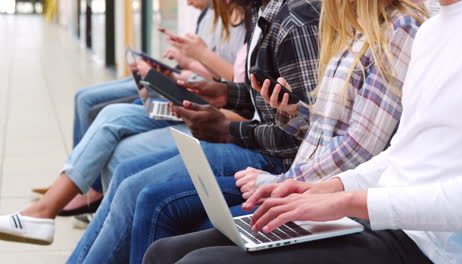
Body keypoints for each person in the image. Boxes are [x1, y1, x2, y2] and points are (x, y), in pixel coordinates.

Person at [144, 0, 462, 263]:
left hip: (425, 244)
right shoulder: (431, 33)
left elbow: (459, 202)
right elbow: (401, 154)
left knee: (198, 258)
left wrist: (344, 201)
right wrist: (330, 188)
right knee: (164, 252)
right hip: (378, 213)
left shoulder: (406, 30)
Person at [66, 0, 321, 263]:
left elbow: (306, 135)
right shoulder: (263, 10)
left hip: (275, 159)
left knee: (140, 191)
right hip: (258, 143)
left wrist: (229, 131)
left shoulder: (294, 21)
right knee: (126, 173)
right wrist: (226, 94)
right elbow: (273, 101)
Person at [0, 0, 248, 245]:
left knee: (117, 142)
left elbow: (242, 95)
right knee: (109, 114)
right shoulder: (218, 18)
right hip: (199, 100)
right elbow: (226, 83)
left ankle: (74, 208)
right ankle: (63, 205)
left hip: (213, 113)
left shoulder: (256, 23)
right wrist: (175, 74)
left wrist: (194, 62)